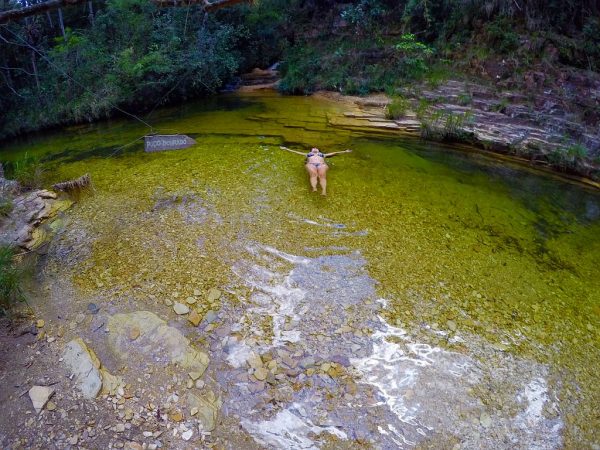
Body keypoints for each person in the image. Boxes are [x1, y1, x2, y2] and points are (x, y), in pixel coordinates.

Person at [279, 146, 352, 196]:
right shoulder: (308, 154)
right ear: (311, 150)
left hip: (321, 164)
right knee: (313, 175)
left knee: (322, 177)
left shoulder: (323, 155)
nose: (315, 148)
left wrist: (345, 151)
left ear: (319, 150)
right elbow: (296, 152)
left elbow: (335, 153)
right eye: (313, 148)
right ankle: (314, 188)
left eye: (316, 148)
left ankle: (324, 191)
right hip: (311, 164)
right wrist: (286, 149)